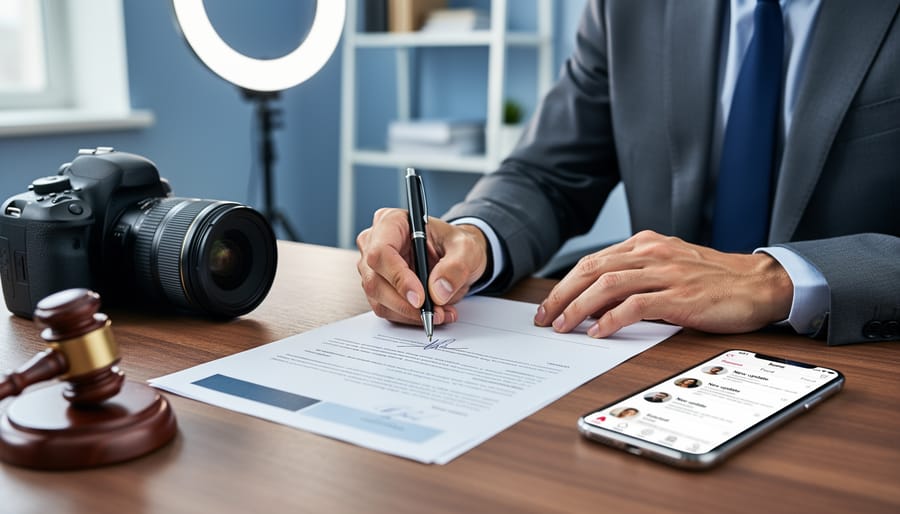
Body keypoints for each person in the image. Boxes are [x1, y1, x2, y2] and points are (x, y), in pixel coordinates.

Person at [356, 1, 900, 346]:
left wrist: (775, 280)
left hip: (844, 358)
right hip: (657, 349)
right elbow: (547, 171)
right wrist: (471, 238)